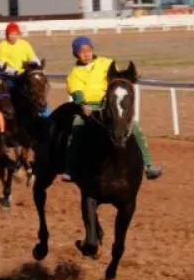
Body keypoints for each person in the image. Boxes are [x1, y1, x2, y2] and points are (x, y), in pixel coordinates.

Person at [66, 35, 162, 179]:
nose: (86, 54)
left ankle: (148, 165)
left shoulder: (106, 63)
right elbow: (76, 90)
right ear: (76, 54)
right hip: (89, 106)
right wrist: (83, 104)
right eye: (82, 51)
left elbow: (118, 79)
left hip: (109, 103)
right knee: (76, 127)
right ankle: (70, 168)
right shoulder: (75, 73)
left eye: (88, 50)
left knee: (134, 127)